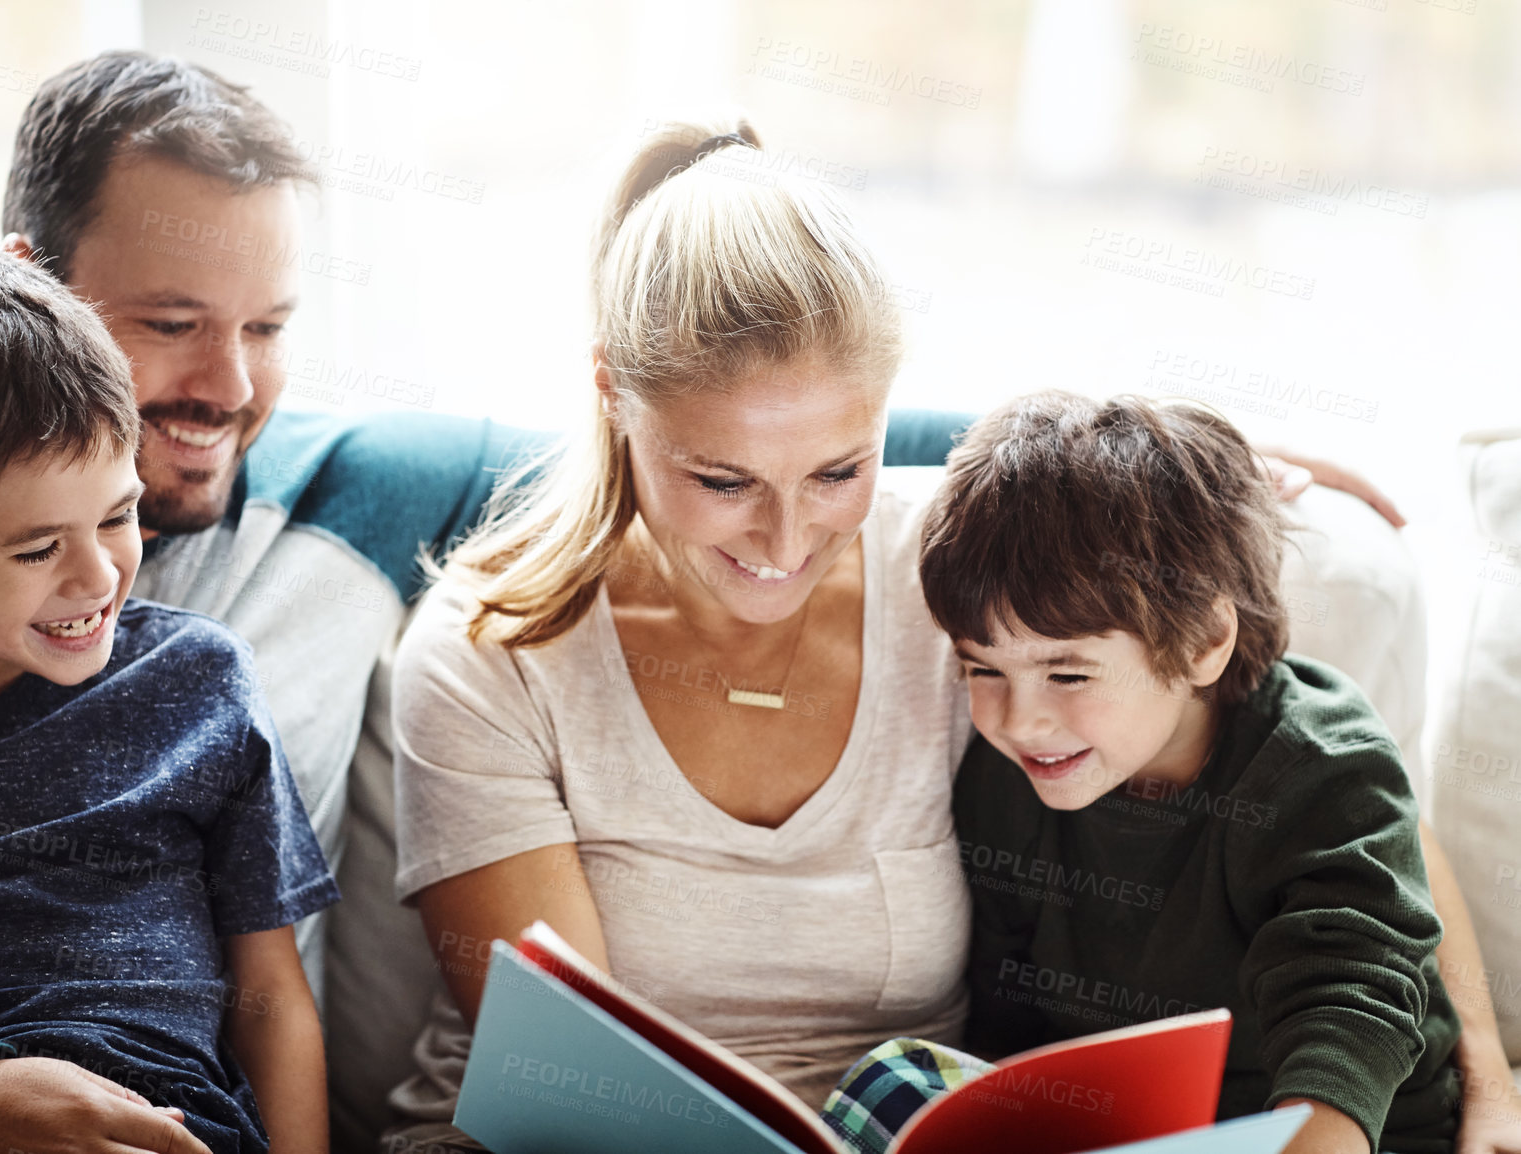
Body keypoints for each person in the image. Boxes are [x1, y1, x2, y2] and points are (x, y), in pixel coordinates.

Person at [0, 54, 977, 1153]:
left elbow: (747, 416)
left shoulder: (348, 484)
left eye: (268, 327)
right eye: (169, 325)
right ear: (30, 288)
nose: (231, 386)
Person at [381, 122, 1521, 1154]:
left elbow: (1332, 785)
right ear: (611, 397)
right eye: (722, 478)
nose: (788, 538)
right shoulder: (490, 651)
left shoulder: (961, 571)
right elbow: (565, 1076)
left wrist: (1483, 1067)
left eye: (839, 467)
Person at [0, 240, 338, 1154]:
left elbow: (272, 1001)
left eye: (119, 516)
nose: (97, 578)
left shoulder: (200, 685)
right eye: (37, 548)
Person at [845, 390, 1461, 1154]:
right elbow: (1007, 1003)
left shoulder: (1322, 763)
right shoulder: (1006, 777)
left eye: (1067, 676)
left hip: (1348, 1132)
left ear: (1205, 638)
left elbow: (1353, 994)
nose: (1016, 719)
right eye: (982, 668)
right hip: (1130, 1126)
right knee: (883, 1085)